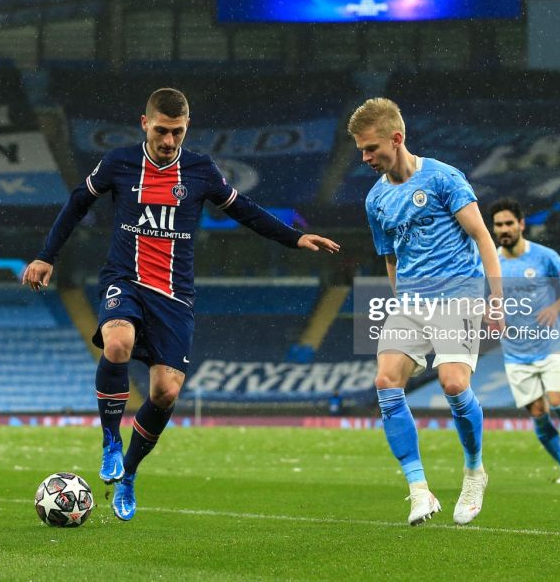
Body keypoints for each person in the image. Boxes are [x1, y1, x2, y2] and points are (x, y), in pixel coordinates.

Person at [23, 87, 339, 521]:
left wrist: (295, 237)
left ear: (186, 128)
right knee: (116, 344)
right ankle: (111, 441)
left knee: (166, 393)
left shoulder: (201, 170)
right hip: (125, 280)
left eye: (177, 132)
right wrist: (47, 255)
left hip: (174, 296)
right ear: (144, 124)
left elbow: (243, 209)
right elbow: (79, 201)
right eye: (161, 130)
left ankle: (129, 472)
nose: (169, 141)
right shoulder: (119, 163)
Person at [348, 98, 503, 526]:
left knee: (454, 384)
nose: (365, 158)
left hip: (458, 295)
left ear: (396, 139)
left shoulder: (444, 178)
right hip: (411, 301)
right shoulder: (376, 200)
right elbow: (390, 257)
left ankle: (474, 470)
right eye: (361, 150)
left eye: (371, 148)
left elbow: (484, 238)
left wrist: (496, 298)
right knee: (385, 381)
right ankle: (419, 490)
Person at [489, 198, 560, 484]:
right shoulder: (489, 261)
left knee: (559, 403)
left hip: (549, 343)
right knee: (538, 412)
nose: (504, 229)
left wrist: (555, 307)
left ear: (521, 224)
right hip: (515, 351)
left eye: (509, 223)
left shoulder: (544, 255)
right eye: (498, 225)